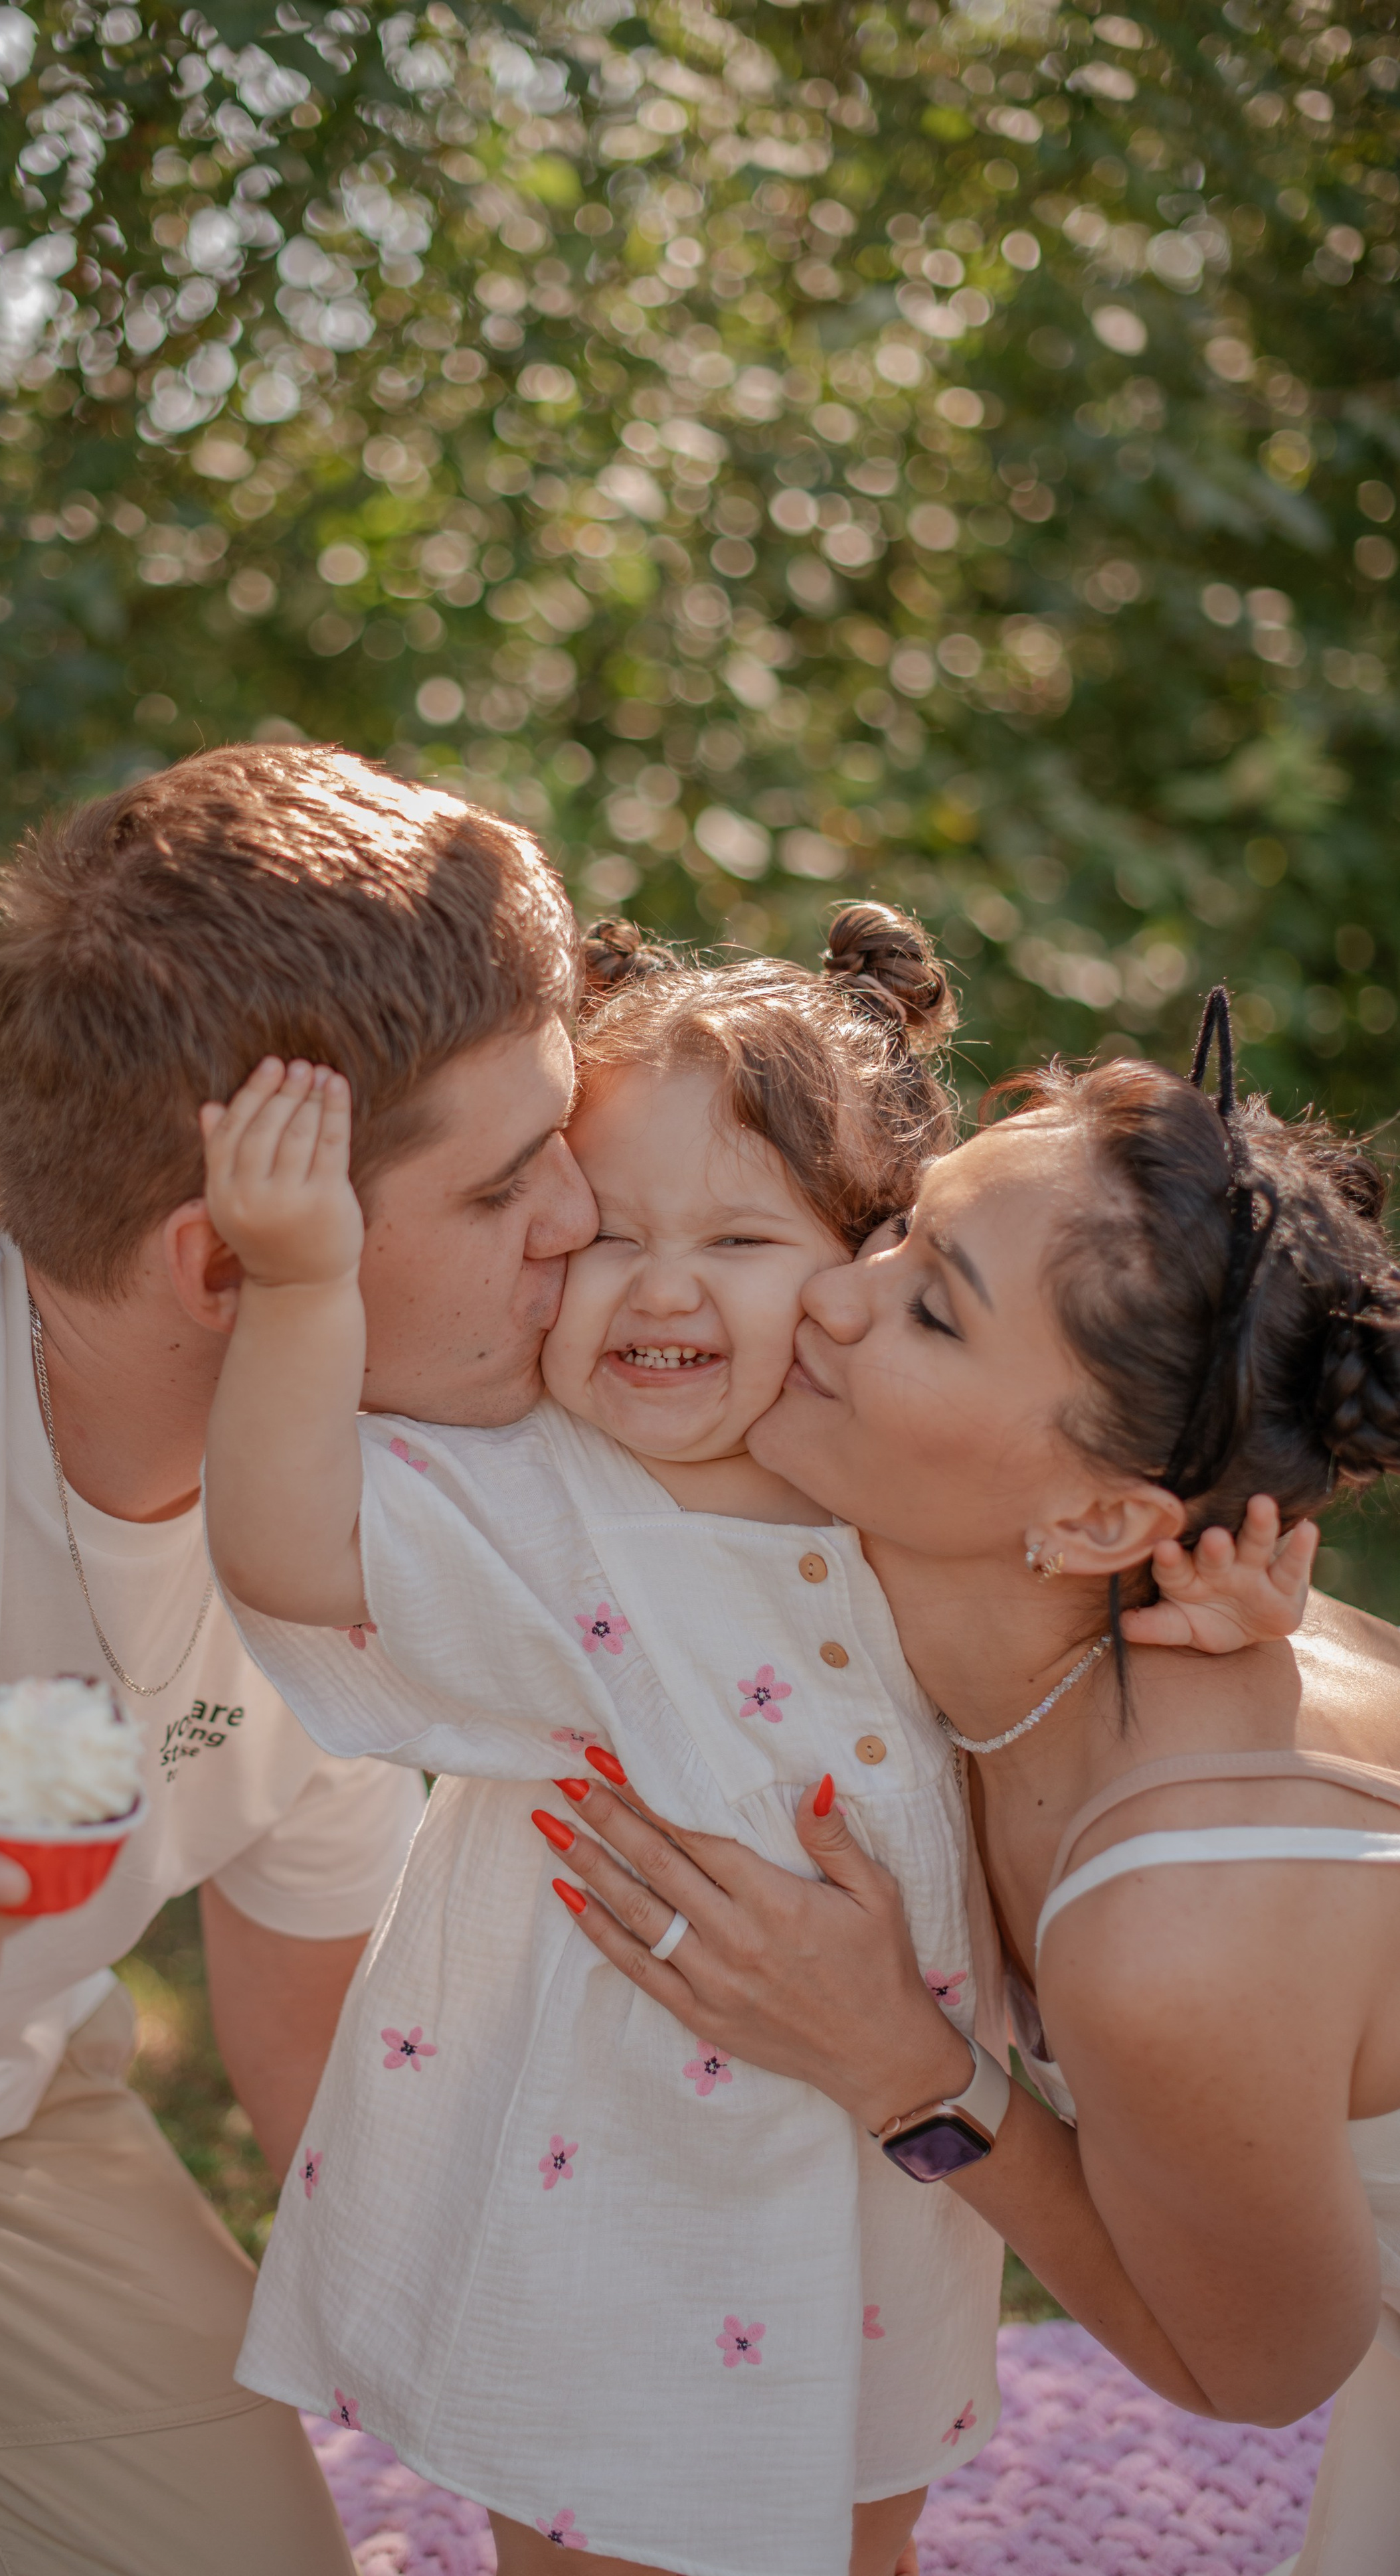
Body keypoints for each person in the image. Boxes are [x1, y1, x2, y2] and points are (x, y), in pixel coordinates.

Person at [195, 936, 1302, 2576]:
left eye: (735, 1239)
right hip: (616, 2199)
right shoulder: (555, 1503)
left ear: (854, 1269)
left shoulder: (890, 1485)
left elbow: (1068, 1557)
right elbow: (292, 1549)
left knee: (868, 2521)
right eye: (609, 1236)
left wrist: (1218, 1600)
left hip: (872, 2210)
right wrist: (300, 1287)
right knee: (604, 2534)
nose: (658, 1288)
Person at [0, 743, 591, 2576]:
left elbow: (316, 2026)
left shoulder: (393, 1490)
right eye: (502, 1196)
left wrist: (592, 2455)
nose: (579, 1225)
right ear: (225, 1263)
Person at [547, 1005, 1400, 2575]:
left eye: (930, 1312)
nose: (830, 1288)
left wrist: (903, 2068)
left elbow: (1258, 2368)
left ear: (1093, 1520)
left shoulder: (1170, 1926)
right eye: (894, 1230)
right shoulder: (1062, 1618)